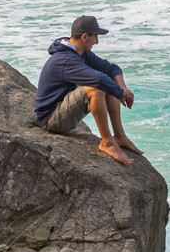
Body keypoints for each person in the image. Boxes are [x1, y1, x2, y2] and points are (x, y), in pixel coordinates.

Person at [34, 15, 143, 165]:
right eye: (95, 37)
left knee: (108, 82)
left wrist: (123, 88)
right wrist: (120, 93)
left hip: (63, 109)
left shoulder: (80, 53)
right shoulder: (65, 59)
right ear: (85, 37)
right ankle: (107, 142)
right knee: (96, 88)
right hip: (51, 119)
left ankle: (119, 136)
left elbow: (111, 68)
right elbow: (98, 80)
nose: (97, 42)